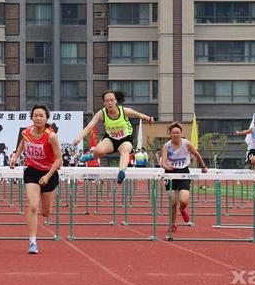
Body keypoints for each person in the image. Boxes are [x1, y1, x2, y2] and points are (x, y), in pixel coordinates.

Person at [9, 105, 62, 255]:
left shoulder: (51, 136)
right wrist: (15, 157)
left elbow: (59, 159)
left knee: (46, 212)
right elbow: (22, 144)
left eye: (41, 116)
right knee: (33, 206)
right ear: (32, 117)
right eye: (36, 115)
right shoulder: (26, 132)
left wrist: (48, 175)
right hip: (32, 172)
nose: (38, 118)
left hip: (49, 173)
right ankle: (32, 241)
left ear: (46, 118)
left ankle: (47, 205)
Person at [73, 90, 153, 184]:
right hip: (110, 139)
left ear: (116, 101)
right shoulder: (101, 113)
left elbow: (139, 115)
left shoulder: (124, 111)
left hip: (125, 139)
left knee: (125, 150)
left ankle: (121, 172)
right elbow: (89, 127)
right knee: (98, 150)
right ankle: (92, 156)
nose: (110, 103)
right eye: (107, 101)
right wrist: (78, 138)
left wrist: (149, 119)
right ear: (104, 103)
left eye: (112, 100)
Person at [161, 123, 208, 233]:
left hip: (183, 172)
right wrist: (167, 166)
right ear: (170, 134)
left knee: (183, 200)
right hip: (170, 173)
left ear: (181, 133)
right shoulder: (166, 146)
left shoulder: (186, 144)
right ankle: (173, 224)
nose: (176, 135)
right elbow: (162, 162)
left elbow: (196, 154)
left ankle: (182, 209)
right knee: (172, 202)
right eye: (174, 133)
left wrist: (203, 166)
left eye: (178, 133)